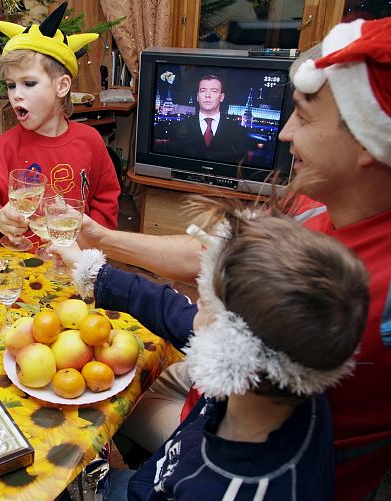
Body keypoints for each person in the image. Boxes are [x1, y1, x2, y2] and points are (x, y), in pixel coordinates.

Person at [69, 17, 391, 499]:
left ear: (367, 139)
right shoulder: (316, 198)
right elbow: (213, 254)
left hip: (238, 447)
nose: (283, 134)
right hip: (214, 403)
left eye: (303, 116)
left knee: (88, 426)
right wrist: (100, 241)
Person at [58, 198, 368, 500]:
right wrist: (92, 272)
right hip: (155, 476)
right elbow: (173, 313)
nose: (193, 307)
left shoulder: (224, 489)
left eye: (203, 302)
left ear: (226, 353)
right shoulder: (292, 376)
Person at [0, 1, 120, 246]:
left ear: (62, 86)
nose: (16, 94)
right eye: (12, 85)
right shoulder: (7, 145)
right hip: (22, 267)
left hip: (74, 264)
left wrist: (90, 243)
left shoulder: (90, 141)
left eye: (29, 83)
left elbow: (106, 198)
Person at [155, 74, 249, 164]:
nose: (207, 95)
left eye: (214, 91)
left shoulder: (237, 131)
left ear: (222, 97)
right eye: (203, 90)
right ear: (197, 97)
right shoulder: (178, 127)